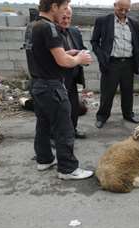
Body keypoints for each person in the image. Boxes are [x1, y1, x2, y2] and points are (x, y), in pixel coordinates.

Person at [24, 0, 93, 180]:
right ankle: (68, 169)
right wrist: (79, 59)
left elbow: (45, 54)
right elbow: (62, 61)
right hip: (51, 86)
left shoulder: (32, 26)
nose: (65, 13)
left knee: (43, 124)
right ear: (53, 7)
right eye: (63, 8)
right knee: (64, 128)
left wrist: (68, 54)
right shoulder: (49, 28)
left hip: (37, 84)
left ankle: (44, 159)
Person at [91, 0, 139, 128]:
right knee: (107, 93)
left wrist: (138, 63)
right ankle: (102, 116)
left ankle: (128, 114)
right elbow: (94, 42)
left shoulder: (134, 23)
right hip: (111, 63)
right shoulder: (103, 21)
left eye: (127, 10)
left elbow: (136, 44)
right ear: (115, 6)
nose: (123, 12)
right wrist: (102, 58)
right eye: (121, 9)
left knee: (128, 92)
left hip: (128, 64)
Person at [57, 7, 87, 139]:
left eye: (69, 18)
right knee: (59, 110)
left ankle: (72, 130)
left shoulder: (74, 31)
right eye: (63, 18)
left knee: (74, 108)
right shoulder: (52, 33)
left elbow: (82, 48)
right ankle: (56, 136)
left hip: (73, 78)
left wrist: (84, 56)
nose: (66, 21)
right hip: (59, 79)